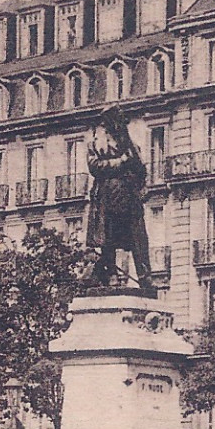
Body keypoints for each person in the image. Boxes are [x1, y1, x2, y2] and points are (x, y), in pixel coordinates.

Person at [84, 107, 155, 297]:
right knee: (107, 238)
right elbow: (94, 166)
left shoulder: (130, 144)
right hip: (106, 194)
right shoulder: (96, 143)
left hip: (129, 195)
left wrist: (142, 186)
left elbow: (141, 169)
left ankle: (144, 276)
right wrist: (121, 162)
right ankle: (111, 275)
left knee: (138, 237)